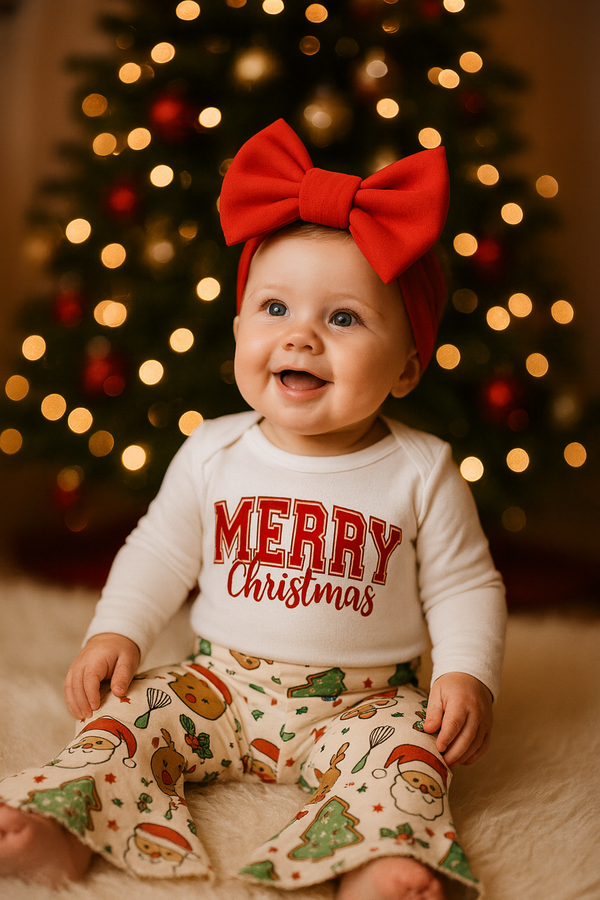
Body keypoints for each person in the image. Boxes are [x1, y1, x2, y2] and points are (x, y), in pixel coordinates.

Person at [0, 120, 506, 900]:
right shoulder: (214, 451)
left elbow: (466, 585)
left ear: (407, 366)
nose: (301, 334)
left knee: (409, 759)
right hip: (220, 690)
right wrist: (117, 630)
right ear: (238, 331)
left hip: (365, 703)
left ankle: (380, 860)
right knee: (125, 720)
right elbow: (160, 551)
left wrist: (469, 673)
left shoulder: (421, 469)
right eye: (274, 309)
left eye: (343, 318)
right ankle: (62, 826)